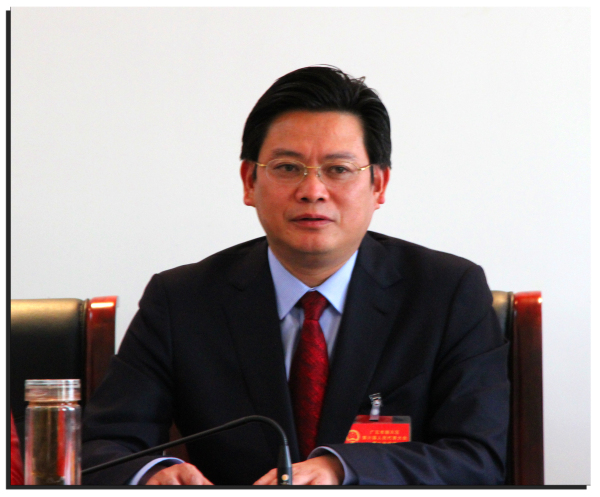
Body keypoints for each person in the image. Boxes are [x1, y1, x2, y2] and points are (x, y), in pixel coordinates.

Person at [82, 65, 509, 486]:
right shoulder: (181, 300)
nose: (312, 191)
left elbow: (477, 458)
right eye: (288, 168)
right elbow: (102, 446)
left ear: (379, 185)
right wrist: (151, 475)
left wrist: (341, 469)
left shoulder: (447, 293)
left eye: (338, 169)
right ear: (249, 181)